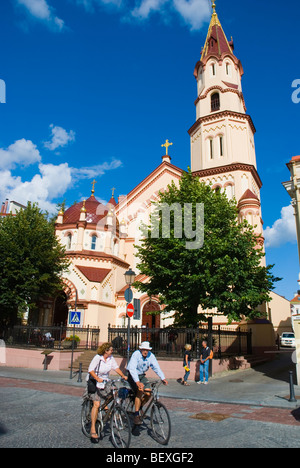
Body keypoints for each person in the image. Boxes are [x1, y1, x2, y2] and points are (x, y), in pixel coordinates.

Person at [86, 342, 127, 443]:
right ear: (106, 351)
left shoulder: (110, 358)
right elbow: (90, 370)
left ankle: (105, 408)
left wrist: (123, 375)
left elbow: (116, 367)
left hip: (105, 381)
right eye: (111, 350)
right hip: (94, 381)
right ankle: (92, 429)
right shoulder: (97, 358)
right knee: (96, 404)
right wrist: (97, 378)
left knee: (114, 392)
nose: (112, 351)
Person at [127, 341, 168, 425]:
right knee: (140, 390)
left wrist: (163, 378)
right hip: (132, 375)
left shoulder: (151, 356)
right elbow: (132, 369)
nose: (145, 352)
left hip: (142, 376)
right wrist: (137, 382)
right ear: (141, 349)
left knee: (149, 393)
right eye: (144, 350)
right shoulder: (136, 354)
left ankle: (140, 405)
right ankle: (136, 414)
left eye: (147, 350)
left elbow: (156, 367)